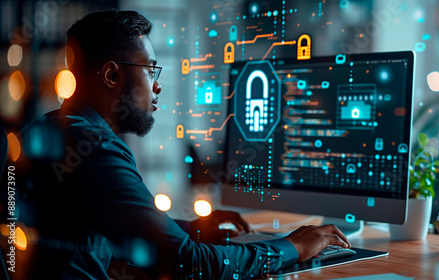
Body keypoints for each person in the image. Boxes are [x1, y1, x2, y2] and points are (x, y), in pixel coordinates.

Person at [18, 10, 351, 279]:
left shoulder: (53, 129)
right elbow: (189, 265)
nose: (157, 87)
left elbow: (115, 219)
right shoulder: (97, 150)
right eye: (150, 70)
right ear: (111, 75)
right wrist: (291, 248)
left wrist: (192, 229)